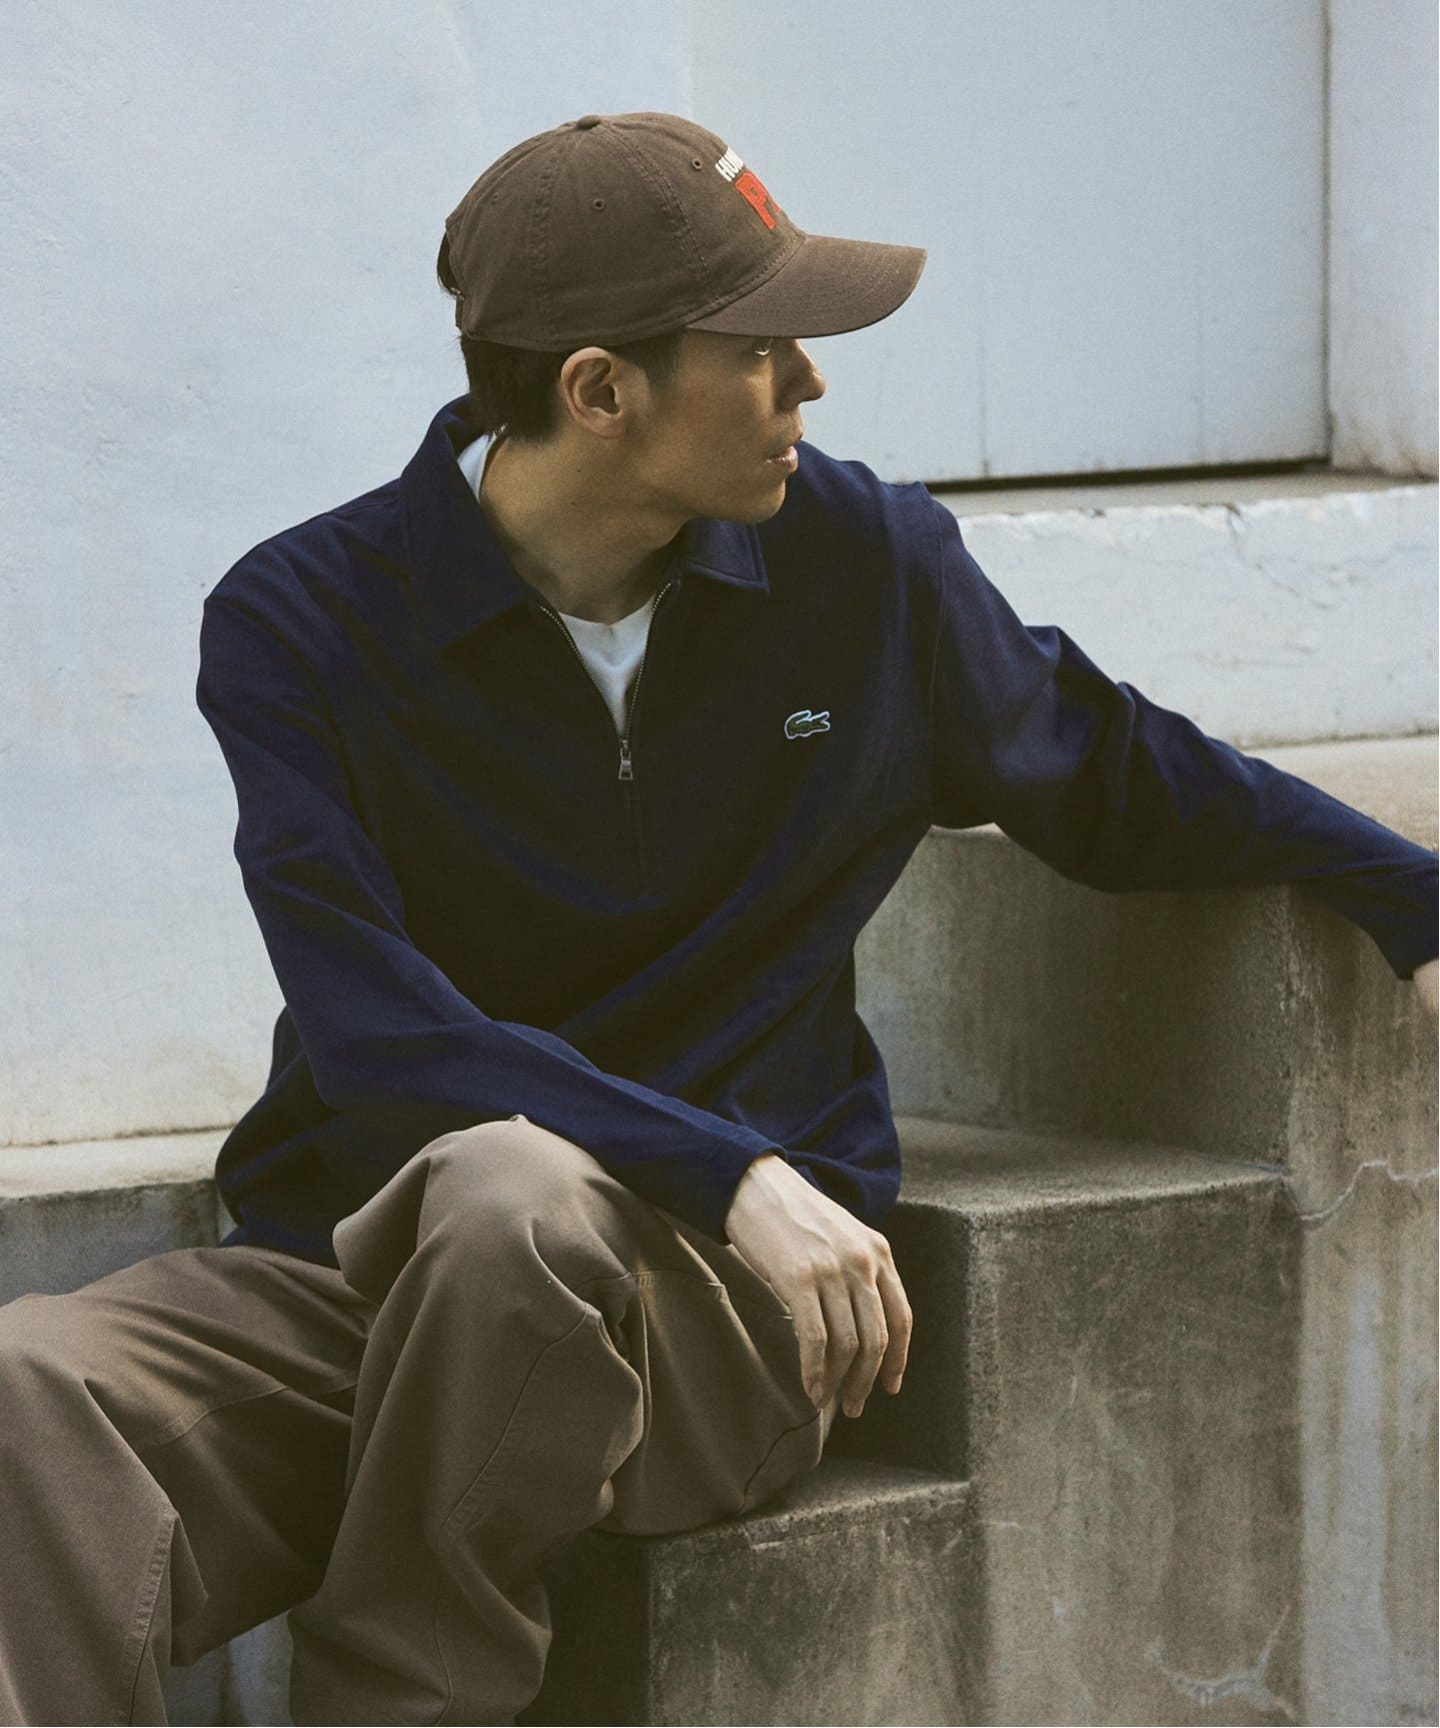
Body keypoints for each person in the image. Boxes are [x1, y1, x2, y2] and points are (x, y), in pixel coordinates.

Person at [0, 110, 1435, 1728]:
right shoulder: (304, 619)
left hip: (720, 1318)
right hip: (373, 1273)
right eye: (759, 350)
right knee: (34, 1396)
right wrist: (731, 1169)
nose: (810, 384)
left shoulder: (864, 567)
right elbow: (375, 1033)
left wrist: (1414, 895)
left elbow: (1111, 771)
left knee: (513, 1204)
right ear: (599, 391)